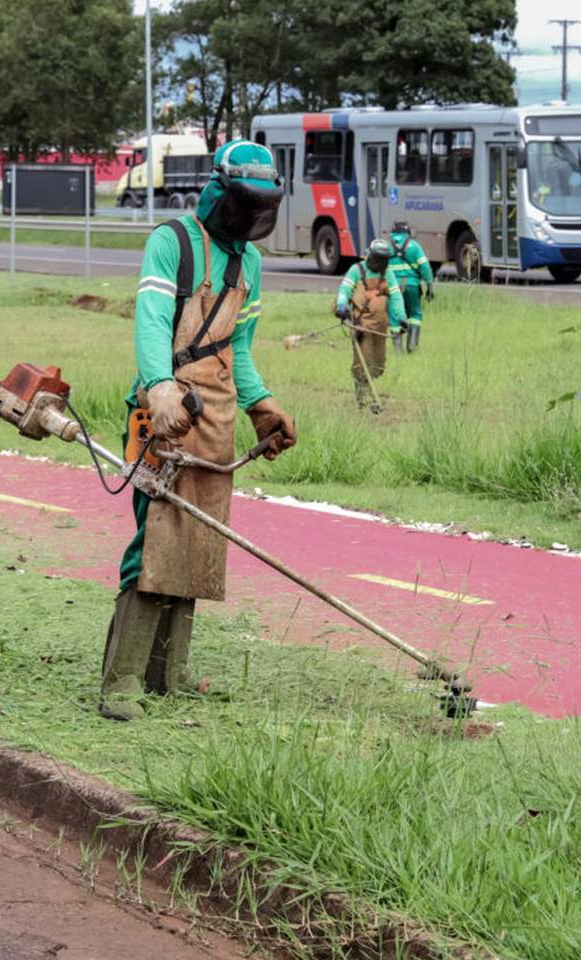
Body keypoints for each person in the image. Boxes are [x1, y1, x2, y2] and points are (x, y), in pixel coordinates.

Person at [101, 140, 297, 721]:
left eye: (262, 206)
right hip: (160, 409)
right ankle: (121, 681)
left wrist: (262, 405)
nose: (251, 217)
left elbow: (237, 348)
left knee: (199, 535)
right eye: (245, 203)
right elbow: (151, 322)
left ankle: (170, 671)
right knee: (156, 537)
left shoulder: (249, 263)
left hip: (216, 412)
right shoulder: (172, 242)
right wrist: (159, 386)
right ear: (219, 191)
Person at [334, 238, 406, 412]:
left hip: (380, 325)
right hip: (361, 324)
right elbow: (344, 290)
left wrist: (402, 317)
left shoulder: (388, 274)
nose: (380, 263)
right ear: (370, 256)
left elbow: (396, 297)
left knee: (378, 363)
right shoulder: (356, 270)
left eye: (383, 260)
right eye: (377, 259)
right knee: (363, 361)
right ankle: (364, 399)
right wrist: (341, 306)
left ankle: (367, 388)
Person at [386, 220, 435, 352]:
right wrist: (430, 286)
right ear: (408, 232)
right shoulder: (414, 246)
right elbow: (425, 267)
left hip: (393, 287)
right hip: (412, 286)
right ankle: (412, 346)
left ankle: (397, 350)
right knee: (415, 313)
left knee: (395, 315)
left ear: (392, 232)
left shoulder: (386, 247)